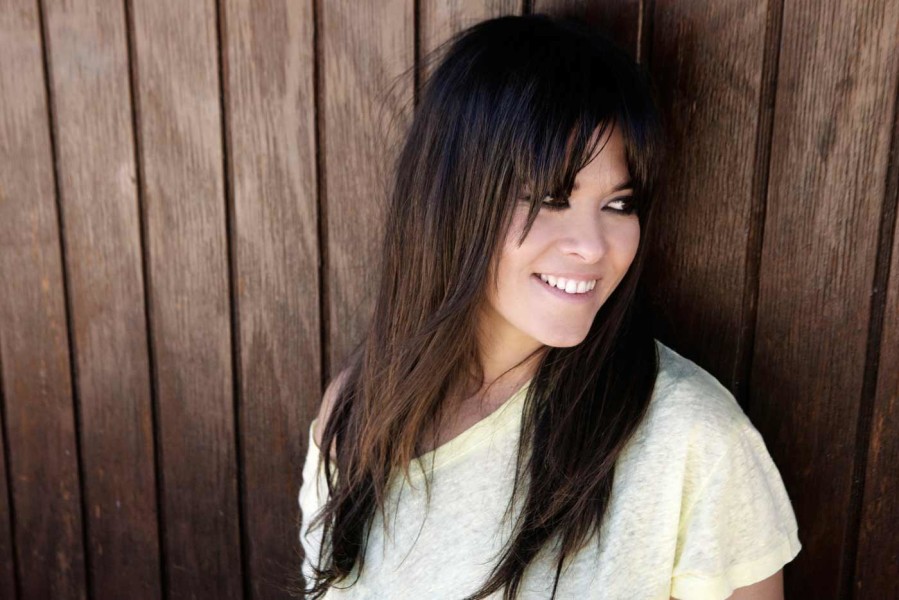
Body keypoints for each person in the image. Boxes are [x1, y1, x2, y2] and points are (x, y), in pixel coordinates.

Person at [296, 13, 801, 600]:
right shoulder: (357, 411)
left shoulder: (694, 440)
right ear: (452, 203)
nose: (592, 246)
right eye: (549, 198)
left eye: (619, 204)